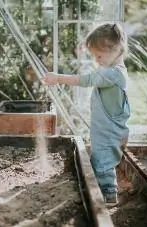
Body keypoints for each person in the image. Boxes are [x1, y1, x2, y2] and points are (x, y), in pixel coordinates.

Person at [42, 22, 130, 206]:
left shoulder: (114, 73)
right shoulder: (110, 70)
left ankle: (108, 196)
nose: (96, 61)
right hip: (103, 128)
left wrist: (58, 78)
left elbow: (88, 80)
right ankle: (99, 189)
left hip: (109, 130)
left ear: (116, 49)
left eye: (99, 56)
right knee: (99, 159)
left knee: (103, 162)